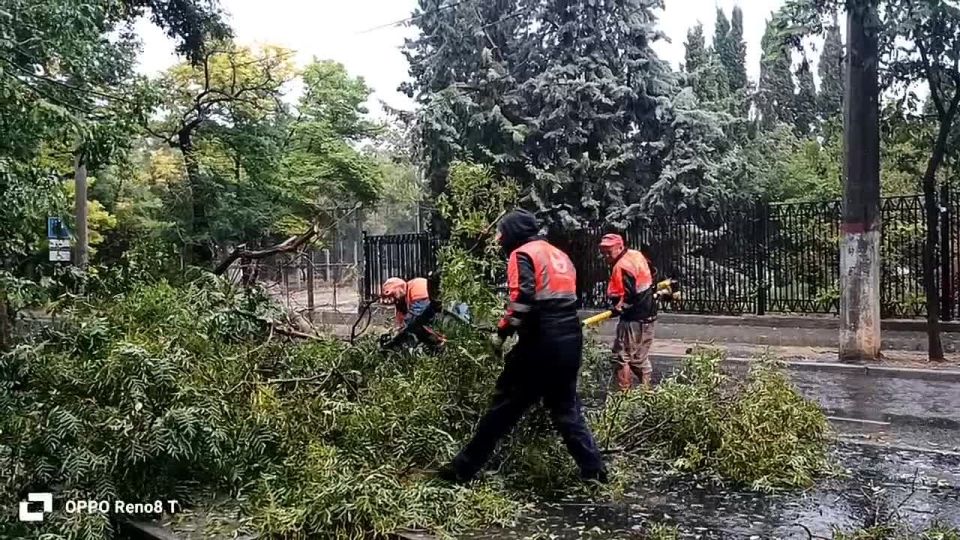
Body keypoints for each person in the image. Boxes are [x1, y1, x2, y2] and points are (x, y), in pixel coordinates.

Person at [438, 209, 607, 484]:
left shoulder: (523, 254)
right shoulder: (557, 253)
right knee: (566, 409)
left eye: (501, 233)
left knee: (503, 407)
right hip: (569, 338)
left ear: (513, 233)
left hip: (541, 342)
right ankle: (595, 470)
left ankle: (461, 470)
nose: (499, 239)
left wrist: (502, 333)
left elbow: (523, 299)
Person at [599, 234, 657, 390]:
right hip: (648, 315)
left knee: (622, 356)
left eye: (608, 251)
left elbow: (630, 295)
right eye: (602, 252)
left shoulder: (622, 266)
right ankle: (647, 393)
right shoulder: (636, 255)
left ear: (619, 247)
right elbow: (652, 273)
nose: (605, 256)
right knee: (639, 358)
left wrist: (620, 307)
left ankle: (623, 396)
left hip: (633, 319)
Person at [379, 277, 444, 351]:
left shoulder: (416, 286)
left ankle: (439, 343)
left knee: (412, 324)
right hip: (432, 318)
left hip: (436, 316)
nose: (392, 300)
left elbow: (416, 316)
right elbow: (400, 323)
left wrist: (396, 340)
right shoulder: (403, 298)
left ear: (399, 287)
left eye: (392, 295)